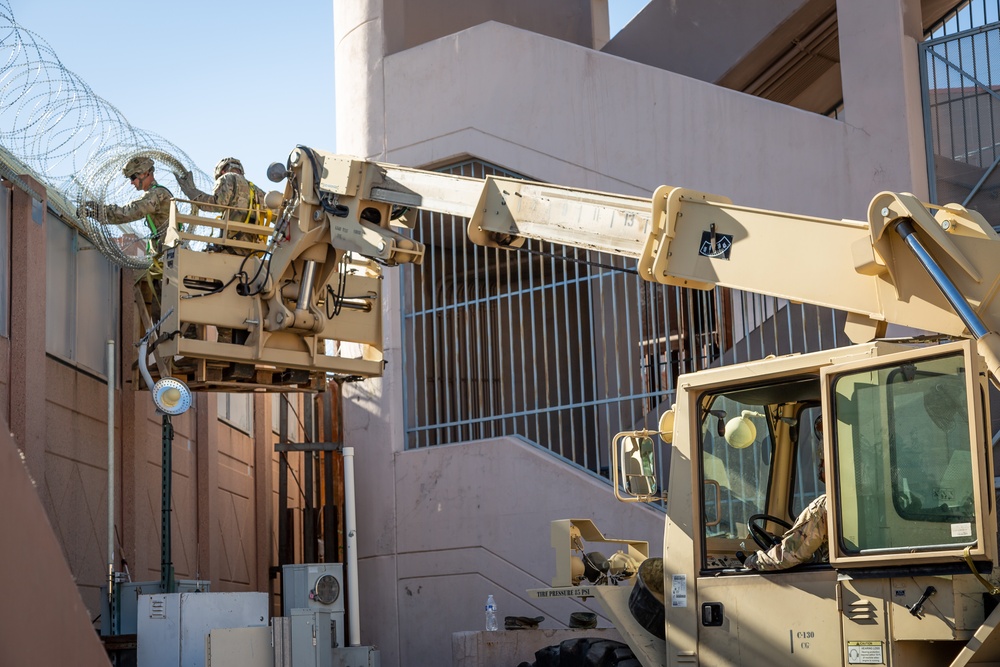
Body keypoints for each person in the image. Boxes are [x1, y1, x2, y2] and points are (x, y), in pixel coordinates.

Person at [743, 416, 828, 571]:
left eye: (821, 459)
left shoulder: (824, 506)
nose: (819, 465)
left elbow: (787, 556)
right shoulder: (851, 500)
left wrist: (752, 561)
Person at [82, 156, 173, 255]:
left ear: (146, 173)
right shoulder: (157, 193)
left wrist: (100, 211)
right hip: (167, 250)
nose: (132, 182)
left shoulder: (157, 193)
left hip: (169, 250)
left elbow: (128, 213)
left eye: (133, 177)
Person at [174, 157, 266, 252]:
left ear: (222, 171)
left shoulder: (227, 177)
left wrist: (191, 192)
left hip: (231, 245)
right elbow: (275, 212)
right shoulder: (256, 190)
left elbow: (217, 204)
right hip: (251, 248)